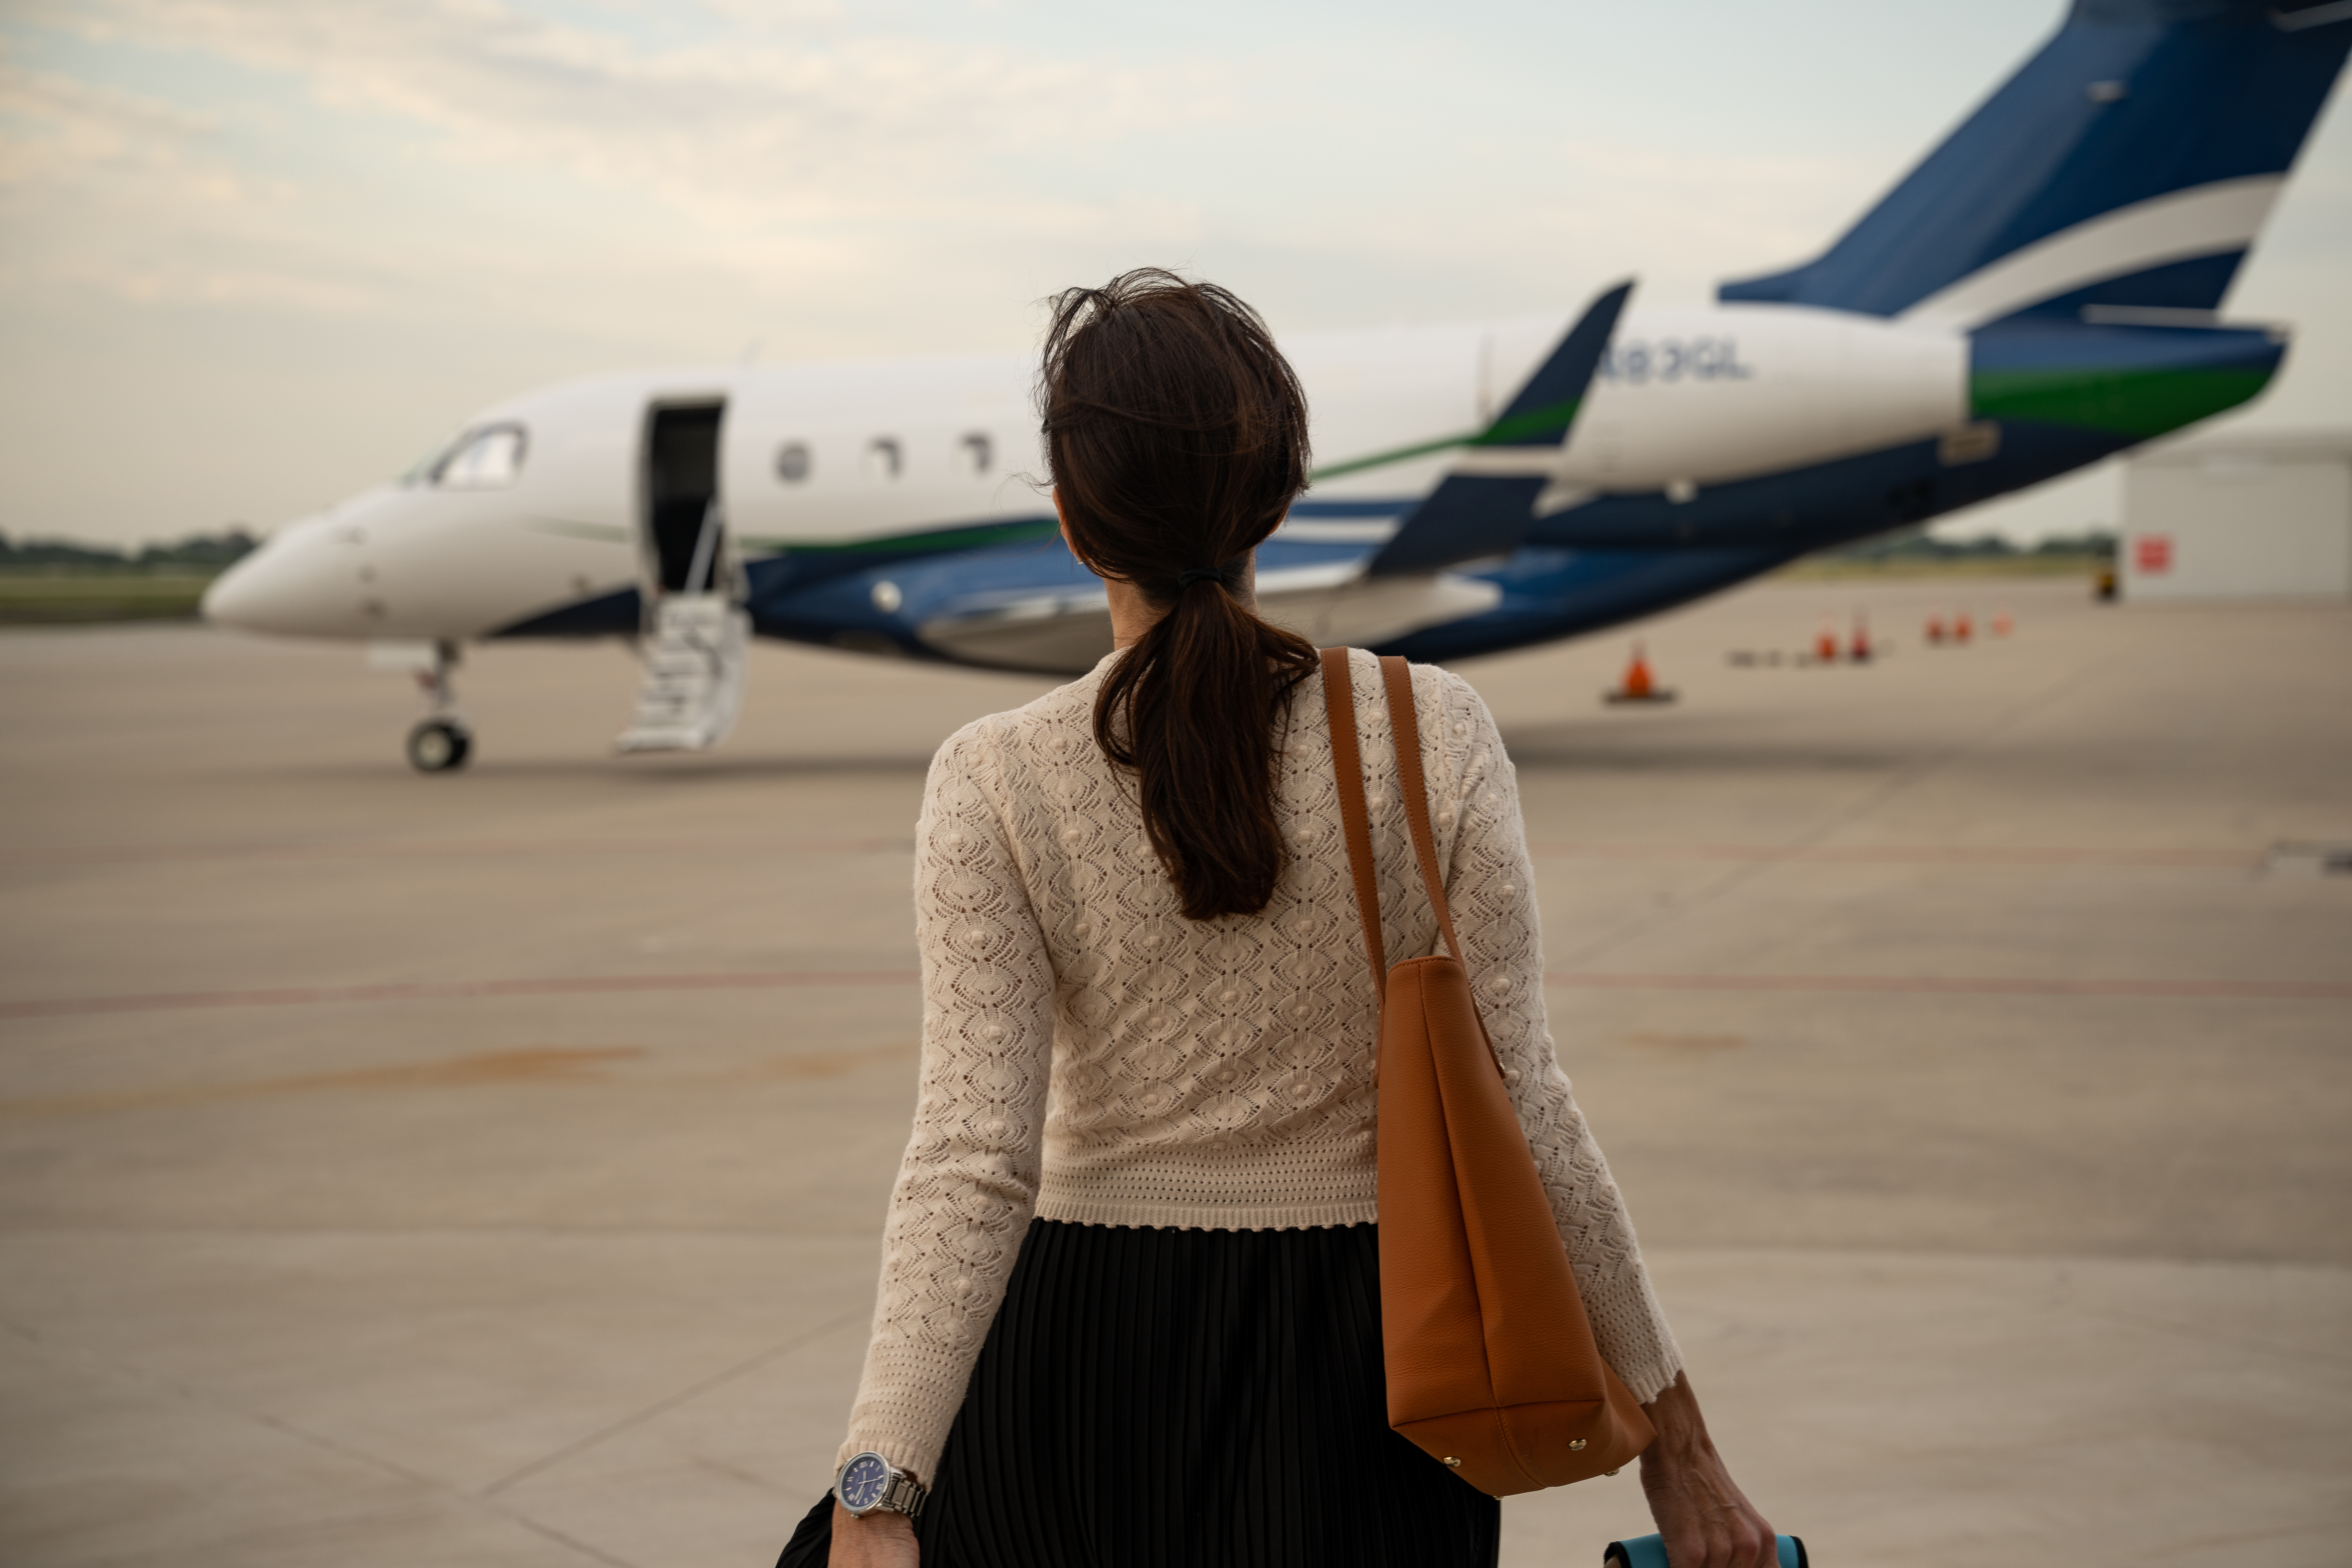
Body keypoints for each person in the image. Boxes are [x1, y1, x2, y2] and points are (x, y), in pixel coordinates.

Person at [784, 269, 1775, 1568]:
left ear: (1077, 525)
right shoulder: (1433, 734)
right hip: (1372, 1383)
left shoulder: (994, 775)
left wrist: (881, 1479)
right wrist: (1681, 1455)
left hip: (1078, 1371)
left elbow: (973, 1155)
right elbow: (1529, 1107)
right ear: (1284, 502)